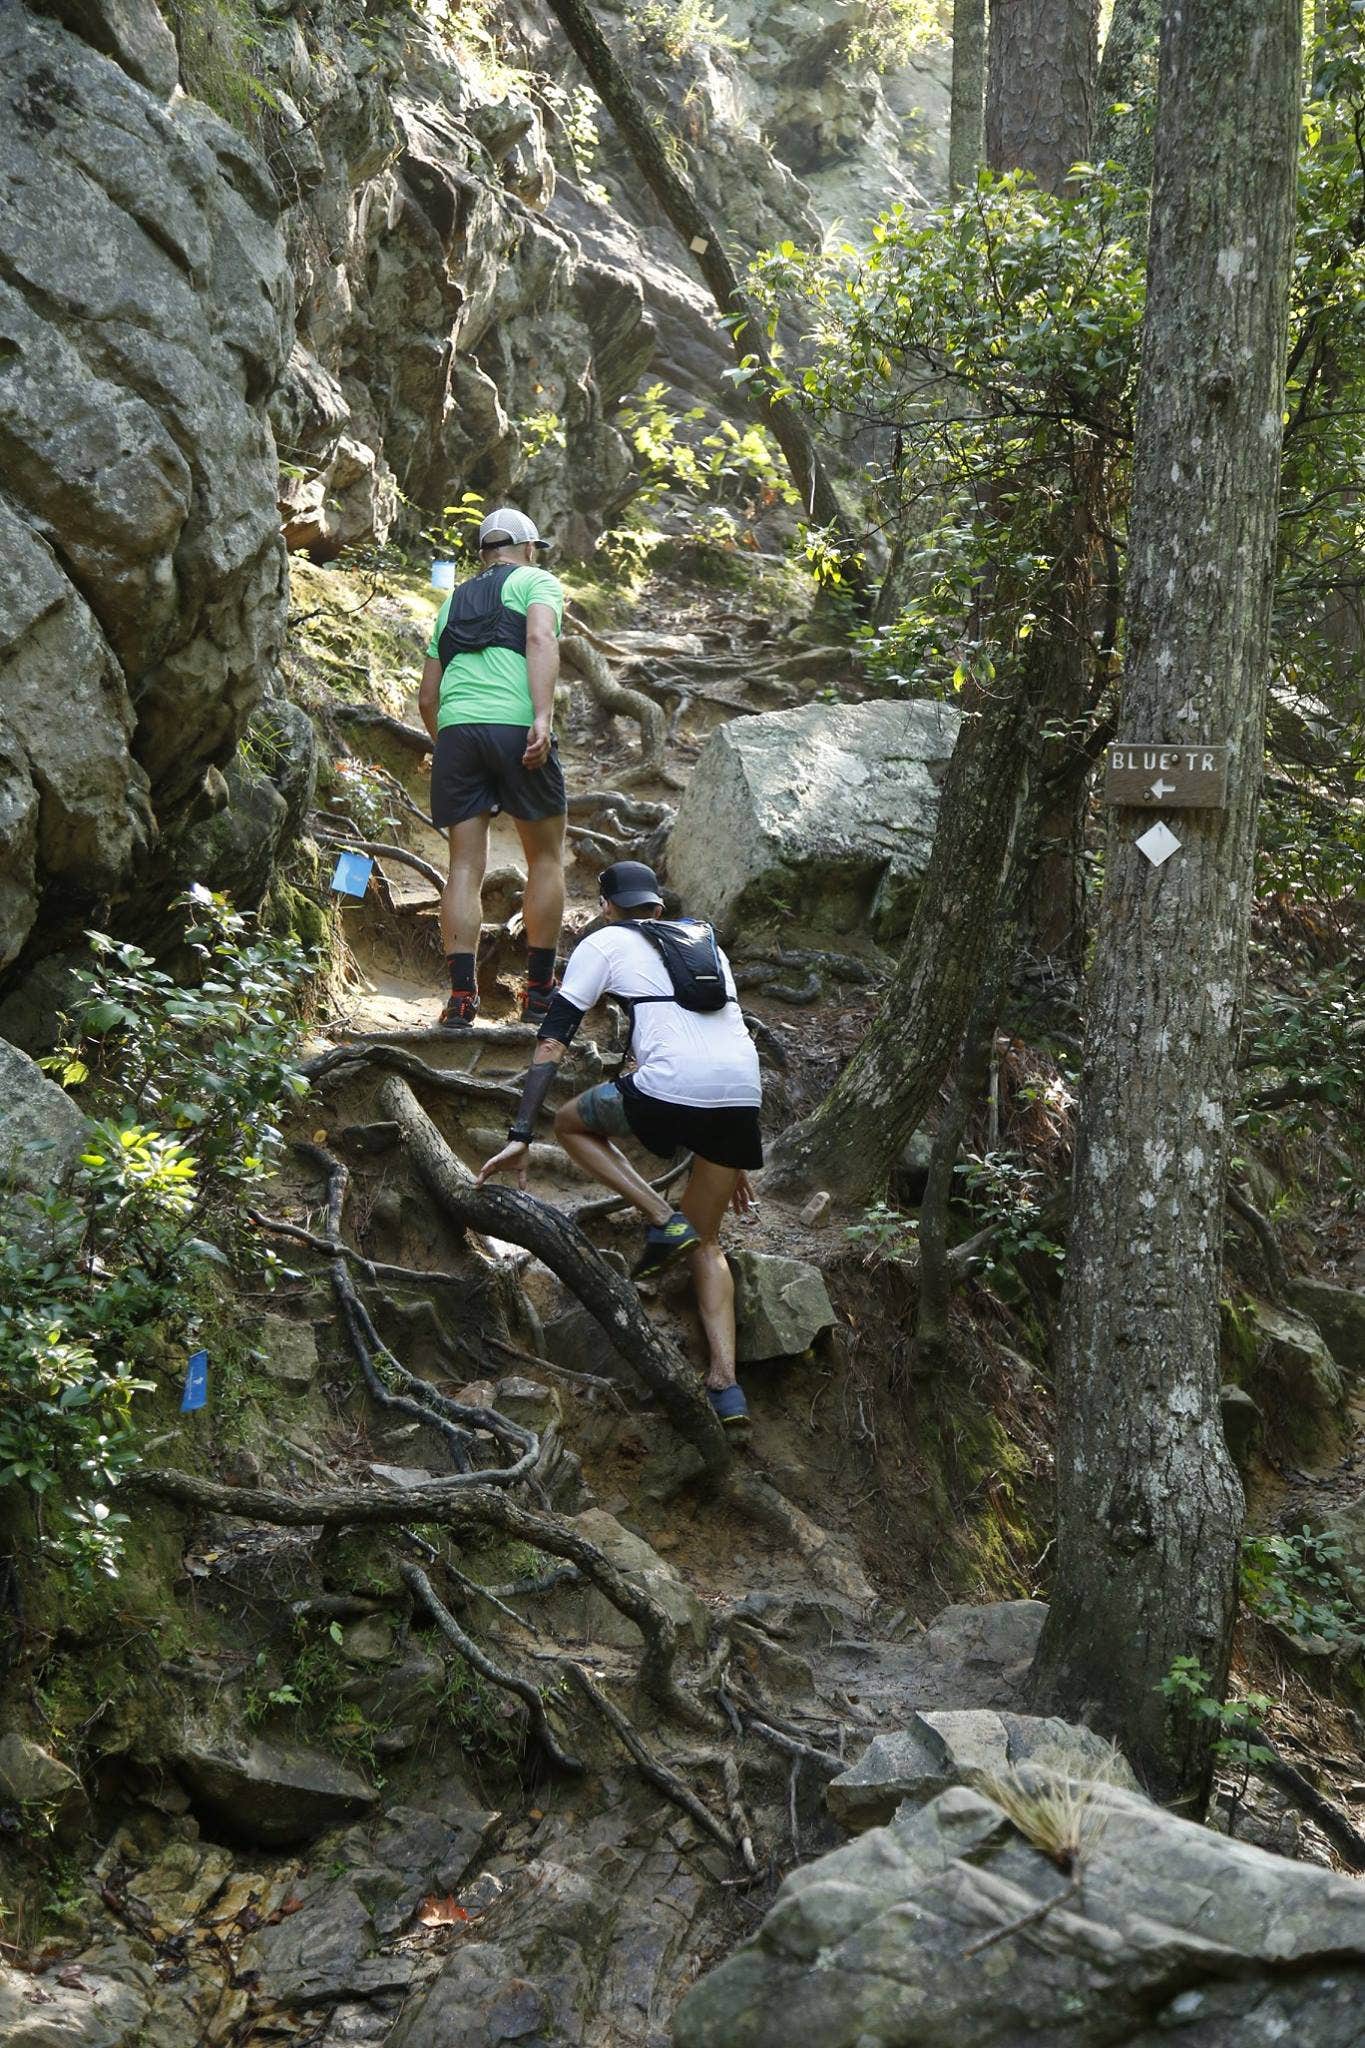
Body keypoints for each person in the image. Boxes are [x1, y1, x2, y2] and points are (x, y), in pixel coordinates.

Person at [476, 862, 762, 1426]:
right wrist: (734, 1156)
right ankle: (727, 1386)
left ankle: (663, 1218)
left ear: (607, 906)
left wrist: (520, 1134)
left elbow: (553, 1038)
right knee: (708, 1242)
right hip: (740, 1096)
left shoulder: (603, 942)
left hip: (670, 1085)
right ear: (658, 906)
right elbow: (719, 1038)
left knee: (573, 1124)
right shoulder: (706, 943)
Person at [419, 507, 567, 1028]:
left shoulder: (452, 602)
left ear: (484, 554)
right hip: (517, 729)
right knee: (545, 858)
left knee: (464, 867)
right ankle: (540, 993)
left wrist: (449, 744)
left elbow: (428, 696)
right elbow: (540, 639)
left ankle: (462, 999)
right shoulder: (537, 581)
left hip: (457, 733)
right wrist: (542, 717)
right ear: (528, 548)